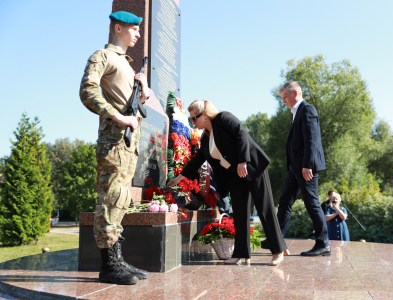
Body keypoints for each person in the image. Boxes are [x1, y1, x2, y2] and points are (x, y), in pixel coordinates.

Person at [167, 100, 289, 266]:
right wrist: (179, 178)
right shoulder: (206, 138)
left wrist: (243, 161)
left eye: (194, 119)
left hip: (251, 166)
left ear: (204, 115)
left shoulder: (223, 118)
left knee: (264, 208)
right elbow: (197, 160)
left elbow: (241, 134)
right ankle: (241, 253)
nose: (192, 123)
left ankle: (277, 251)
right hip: (234, 174)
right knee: (239, 213)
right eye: (190, 120)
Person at [79, 11, 150, 285]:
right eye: (134, 29)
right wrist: (118, 116)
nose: (138, 34)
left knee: (120, 200)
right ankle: (109, 266)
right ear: (118, 28)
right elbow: (88, 90)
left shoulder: (127, 64)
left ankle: (118, 260)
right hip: (113, 141)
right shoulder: (103, 56)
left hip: (127, 145)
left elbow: (136, 105)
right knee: (109, 200)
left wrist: (142, 89)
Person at [261, 81, 330, 257]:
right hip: (295, 168)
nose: (283, 101)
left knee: (312, 202)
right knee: (284, 201)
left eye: (285, 97)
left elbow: (311, 140)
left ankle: (323, 244)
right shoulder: (296, 112)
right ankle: (275, 239)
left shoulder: (307, 109)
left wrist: (308, 165)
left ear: (295, 94)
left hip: (306, 167)